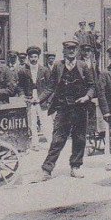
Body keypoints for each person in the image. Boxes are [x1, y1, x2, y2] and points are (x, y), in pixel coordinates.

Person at [32, 39, 97, 181]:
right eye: (68, 48)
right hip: (63, 107)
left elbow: (92, 86)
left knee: (79, 138)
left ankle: (76, 166)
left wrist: (87, 97)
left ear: (77, 50)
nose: (71, 51)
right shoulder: (58, 66)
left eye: (74, 48)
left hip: (80, 107)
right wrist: (39, 99)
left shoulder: (83, 66)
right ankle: (47, 170)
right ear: (64, 51)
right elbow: (50, 87)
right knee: (57, 139)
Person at [17, 46, 51, 149]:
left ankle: (50, 143)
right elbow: (20, 86)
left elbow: (49, 87)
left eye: (35, 56)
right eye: (31, 57)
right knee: (32, 121)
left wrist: (41, 98)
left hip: (42, 98)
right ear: (28, 58)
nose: (33, 59)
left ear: (38, 57)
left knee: (45, 120)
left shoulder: (44, 70)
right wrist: (23, 96)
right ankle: (35, 143)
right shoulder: (23, 71)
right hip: (29, 98)